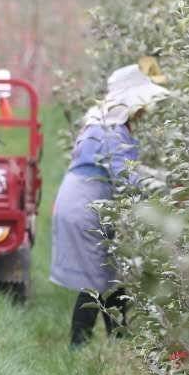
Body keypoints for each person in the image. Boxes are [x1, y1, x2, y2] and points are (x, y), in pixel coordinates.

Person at [49, 64, 170, 346]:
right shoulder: (111, 130)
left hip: (85, 201)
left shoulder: (104, 123)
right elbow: (126, 176)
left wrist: (160, 180)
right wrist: (162, 193)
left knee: (112, 276)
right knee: (93, 281)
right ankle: (77, 348)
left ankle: (119, 339)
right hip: (86, 206)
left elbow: (128, 169)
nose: (145, 110)